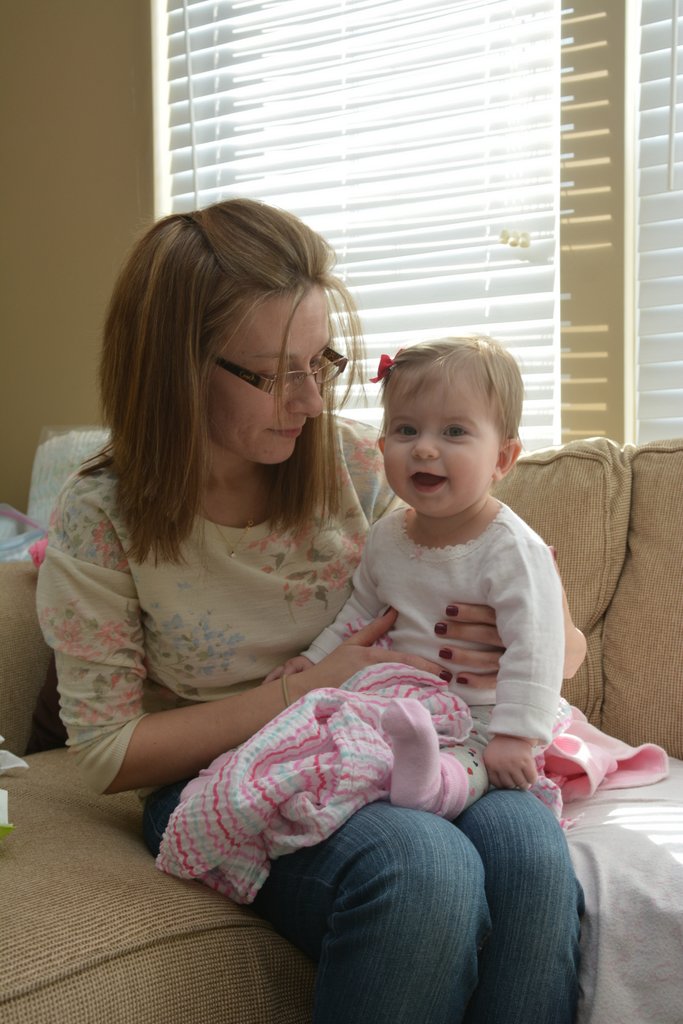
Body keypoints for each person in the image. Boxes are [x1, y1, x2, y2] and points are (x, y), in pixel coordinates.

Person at [36, 197, 585, 1024]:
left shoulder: (361, 464)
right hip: (231, 771)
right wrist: (310, 688)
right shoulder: (103, 514)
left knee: (531, 856)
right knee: (424, 869)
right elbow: (108, 754)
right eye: (271, 374)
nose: (310, 400)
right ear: (174, 368)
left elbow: (549, 629)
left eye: (319, 362)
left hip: (420, 736)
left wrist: (526, 646)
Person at [265, 336, 569, 815]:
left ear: (502, 459)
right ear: (383, 447)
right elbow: (362, 614)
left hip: (486, 715)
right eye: (407, 430)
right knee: (332, 742)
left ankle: (434, 787)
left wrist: (515, 736)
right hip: (402, 704)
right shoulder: (387, 536)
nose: (425, 448)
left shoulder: (512, 550)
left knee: (470, 765)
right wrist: (314, 659)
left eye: (454, 432)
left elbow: (538, 647)